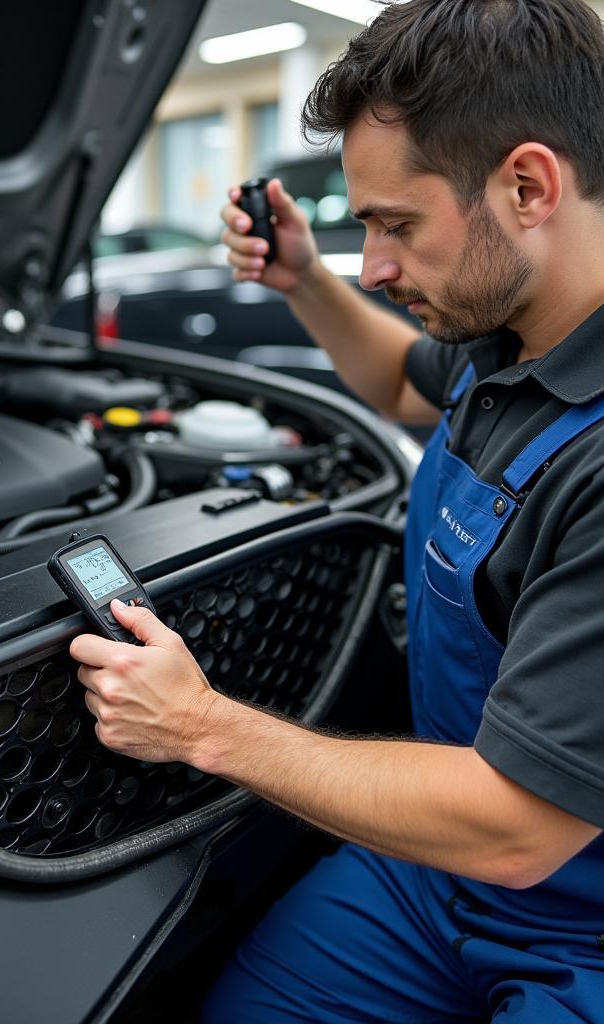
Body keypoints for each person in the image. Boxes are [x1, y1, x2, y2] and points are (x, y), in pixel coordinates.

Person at [68, 1, 604, 1020]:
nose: (380, 266)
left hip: (573, 916)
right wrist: (302, 280)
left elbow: (520, 827)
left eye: (396, 225)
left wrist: (201, 726)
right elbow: (406, 384)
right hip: (429, 865)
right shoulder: (515, 329)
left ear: (527, 185)